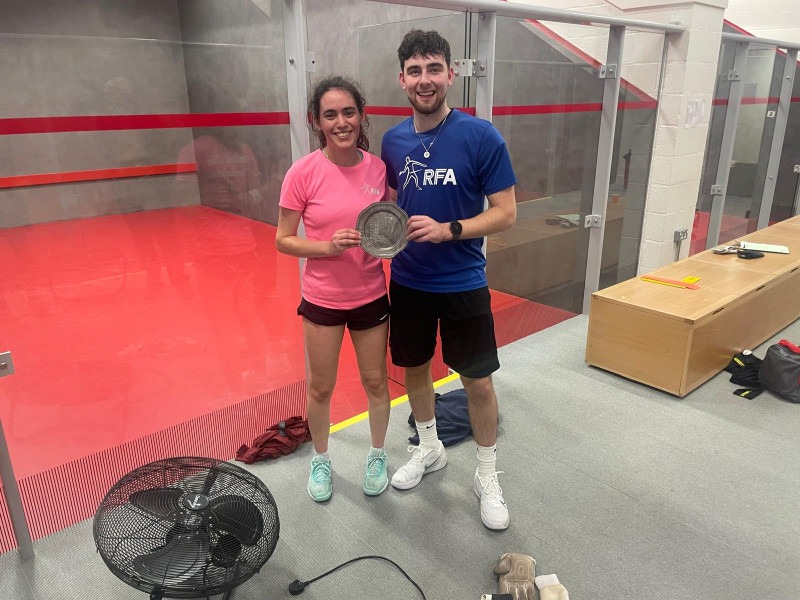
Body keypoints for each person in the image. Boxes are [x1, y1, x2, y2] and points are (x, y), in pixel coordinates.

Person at [380, 30, 517, 530]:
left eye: (434, 69)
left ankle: (487, 475)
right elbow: (392, 207)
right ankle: (430, 447)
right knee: (415, 370)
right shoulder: (393, 141)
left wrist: (449, 229)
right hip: (409, 281)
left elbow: (505, 213)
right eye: (415, 71)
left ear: (451, 74)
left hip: (462, 281)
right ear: (402, 79)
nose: (425, 80)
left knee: (477, 382)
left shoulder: (481, 136)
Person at [276, 76, 391, 503]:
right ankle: (321, 459)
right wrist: (327, 247)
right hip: (322, 299)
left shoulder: (378, 168)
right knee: (321, 388)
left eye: (348, 112)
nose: (341, 122)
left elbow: (386, 225)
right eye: (330, 115)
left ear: (361, 116)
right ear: (317, 121)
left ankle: (377, 455)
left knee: (376, 382)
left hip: (371, 296)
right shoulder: (302, 172)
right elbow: (284, 240)